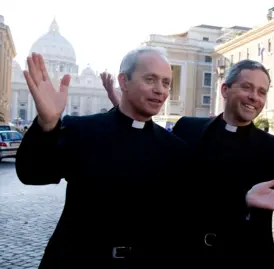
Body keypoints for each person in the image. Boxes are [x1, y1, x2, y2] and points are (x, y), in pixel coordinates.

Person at [102, 59, 274, 269]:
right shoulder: (188, 130)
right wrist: (122, 104)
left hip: (247, 261)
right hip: (190, 258)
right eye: (247, 87)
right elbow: (161, 168)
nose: (254, 96)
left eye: (262, 91)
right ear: (225, 89)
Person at [16, 47, 194, 268]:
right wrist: (47, 124)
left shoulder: (176, 151)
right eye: (150, 79)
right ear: (124, 81)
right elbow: (33, 174)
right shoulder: (81, 130)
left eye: (166, 83)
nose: (160, 90)